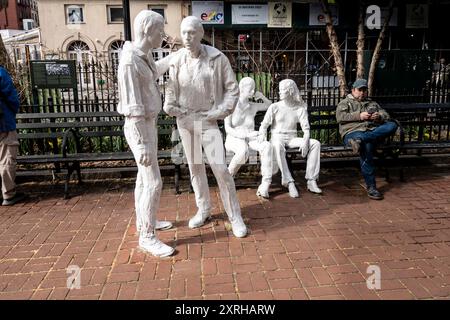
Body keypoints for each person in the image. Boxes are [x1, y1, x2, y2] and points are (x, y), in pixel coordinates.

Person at [164, 16, 247, 238]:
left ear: (201, 34)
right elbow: (171, 88)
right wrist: (169, 104)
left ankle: (234, 215)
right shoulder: (176, 60)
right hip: (185, 120)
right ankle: (204, 208)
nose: (187, 37)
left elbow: (233, 90)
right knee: (195, 167)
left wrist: (218, 112)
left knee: (220, 168)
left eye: (191, 32)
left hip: (208, 120)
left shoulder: (217, 58)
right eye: (183, 33)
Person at [117, 10, 176, 257]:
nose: (162, 35)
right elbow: (132, 108)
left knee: (144, 180)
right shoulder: (130, 62)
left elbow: (154, 74)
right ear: (146, 31)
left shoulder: (144, 56)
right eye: (159, 30)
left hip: (147, 124)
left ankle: (146, 222)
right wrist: (141, 145)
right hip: (139, 127)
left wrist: (175, 56)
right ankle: (147, 236)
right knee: (153, 181)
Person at [258, 79, 322, 198]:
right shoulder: (275, 107)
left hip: (292, 138)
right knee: (277, 145)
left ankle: (311, 180)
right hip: (277, 137)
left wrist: (306, 140)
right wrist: (262, 134)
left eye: (283, 90)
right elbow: (264, 125)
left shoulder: (299, 108)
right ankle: (289, 181)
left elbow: (306, 129)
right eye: (280, 90)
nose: (280, 93)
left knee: (315, 143)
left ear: (290, 91)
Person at [336, 78, 398, 200]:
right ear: (353, 90)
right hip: (352, 133)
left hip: (370, 131)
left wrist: (378, 117)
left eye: (365, 90)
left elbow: (386, 115)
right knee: (367, 146)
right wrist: (359, 116)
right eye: (360, 90)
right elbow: (340, 117)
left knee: (392, 125)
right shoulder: (345, 103)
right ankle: (372, 187)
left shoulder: (372, 103)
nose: (362, 92)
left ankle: (360, 141)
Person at [224, 77, 277, 198]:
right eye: (251, 88)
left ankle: (265, 185)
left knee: (267, 146)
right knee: (243, 150)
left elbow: (270, 105)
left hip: (251, 137)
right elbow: (228, 128)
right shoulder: (231, 105)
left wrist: (262, 96)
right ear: (242, 88)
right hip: (234, 138)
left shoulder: (253, 106)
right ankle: (227, 180)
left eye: (254, 88)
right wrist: (245, 135)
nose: (253, 91)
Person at [0, 66, 26, 206]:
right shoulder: (0, 73)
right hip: (3, 123)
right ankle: (8, 194)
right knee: (6, 158)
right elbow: (11, 97)